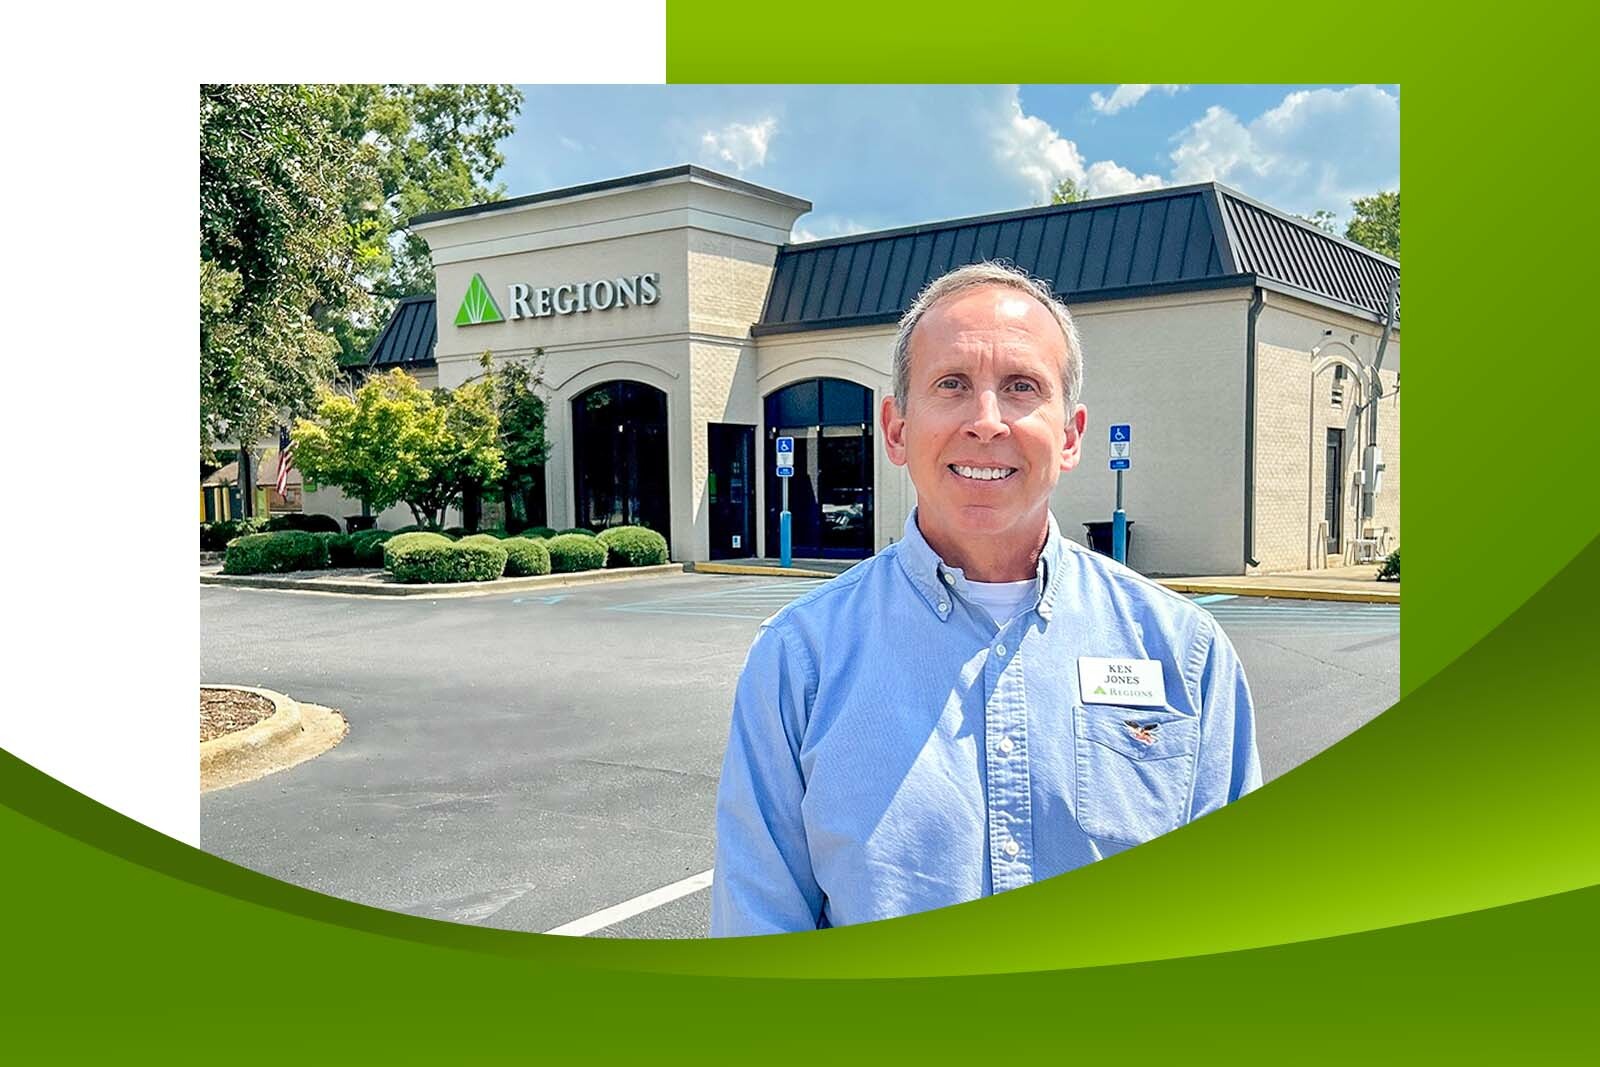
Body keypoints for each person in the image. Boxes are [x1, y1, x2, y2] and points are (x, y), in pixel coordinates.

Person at [710, 261, 1261, 936]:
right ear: (895, 430)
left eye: (1022, 386)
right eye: (952, 384)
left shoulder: (1186, 654)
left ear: (1070, 435)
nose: (987, 420)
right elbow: (759, 928)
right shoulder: (800, 662)